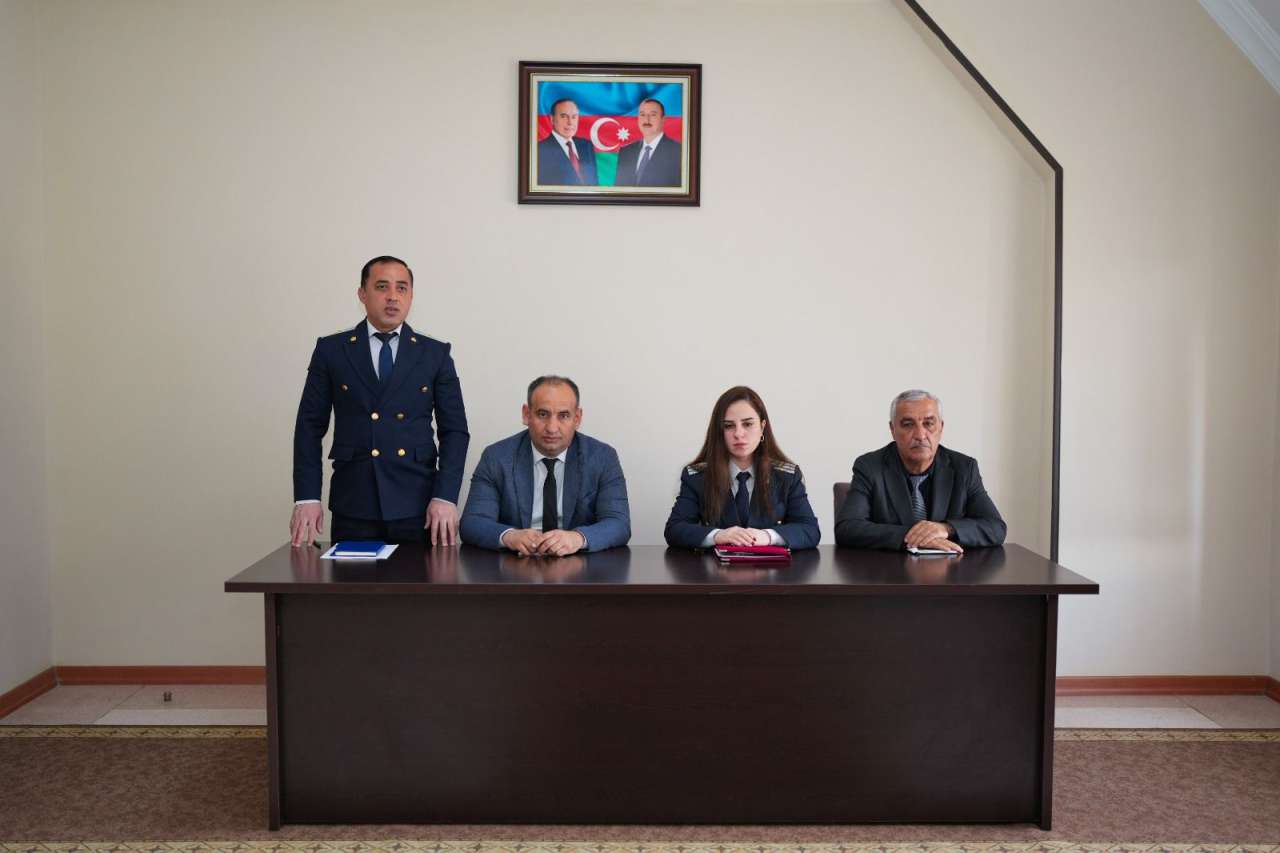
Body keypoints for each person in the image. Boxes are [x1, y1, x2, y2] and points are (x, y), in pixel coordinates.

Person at [290, 255, 470, 547]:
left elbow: (455, 431)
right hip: (354, 501)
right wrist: (307, 497)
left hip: (418, 504)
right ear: (362, 294)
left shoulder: (434, 353)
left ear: (411, 296)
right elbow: (309, 427)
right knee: (352, 579)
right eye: (382, 287)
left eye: (402, 288)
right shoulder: (332, 350)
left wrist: (445, 496)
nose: (393, 297)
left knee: (418, 578)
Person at [460, 376, 630, 556]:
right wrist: (510, 536)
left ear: (577, 418)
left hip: (578, 562)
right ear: (526, 414)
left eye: (563, 415)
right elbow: (473, 522)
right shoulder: (497, 457)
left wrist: (578, 538)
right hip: (516, 562)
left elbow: (619, 524)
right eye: (543, 414)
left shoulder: (602, 458)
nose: (552, 427)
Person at [834, 389, 1006, 552]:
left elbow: (995, 527)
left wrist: (946, 529)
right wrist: (916, 537)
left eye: (928, 423)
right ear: (892, 430)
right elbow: (847, 528)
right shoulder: (870, 467)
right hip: (888, 569)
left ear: (941, 427)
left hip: (951, 569)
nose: (920, 435)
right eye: (908, 425)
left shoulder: (964, 468)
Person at [664, 386, 820, 549]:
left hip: (771, 565)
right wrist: (718, 535)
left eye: (748, 424)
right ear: (719, 432)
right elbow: (675, 529)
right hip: (715, 565)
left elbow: (809, 530)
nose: (738, 434)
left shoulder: (787, 476)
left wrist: (768, 536)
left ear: (762, 427)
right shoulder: (697, 477)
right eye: (728, 426)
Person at [615, 98, 682, 187]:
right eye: (642, 115)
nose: (646, 120)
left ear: (663, 119)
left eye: (653, 115)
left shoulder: (678, 152)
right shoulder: (626, 152)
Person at [536, 98, 598, 186]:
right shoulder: (540, 150)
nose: (570, 122)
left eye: (574, 117)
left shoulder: (586, 145)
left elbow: (594, 183)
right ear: (552, 119)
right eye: (564, 116)